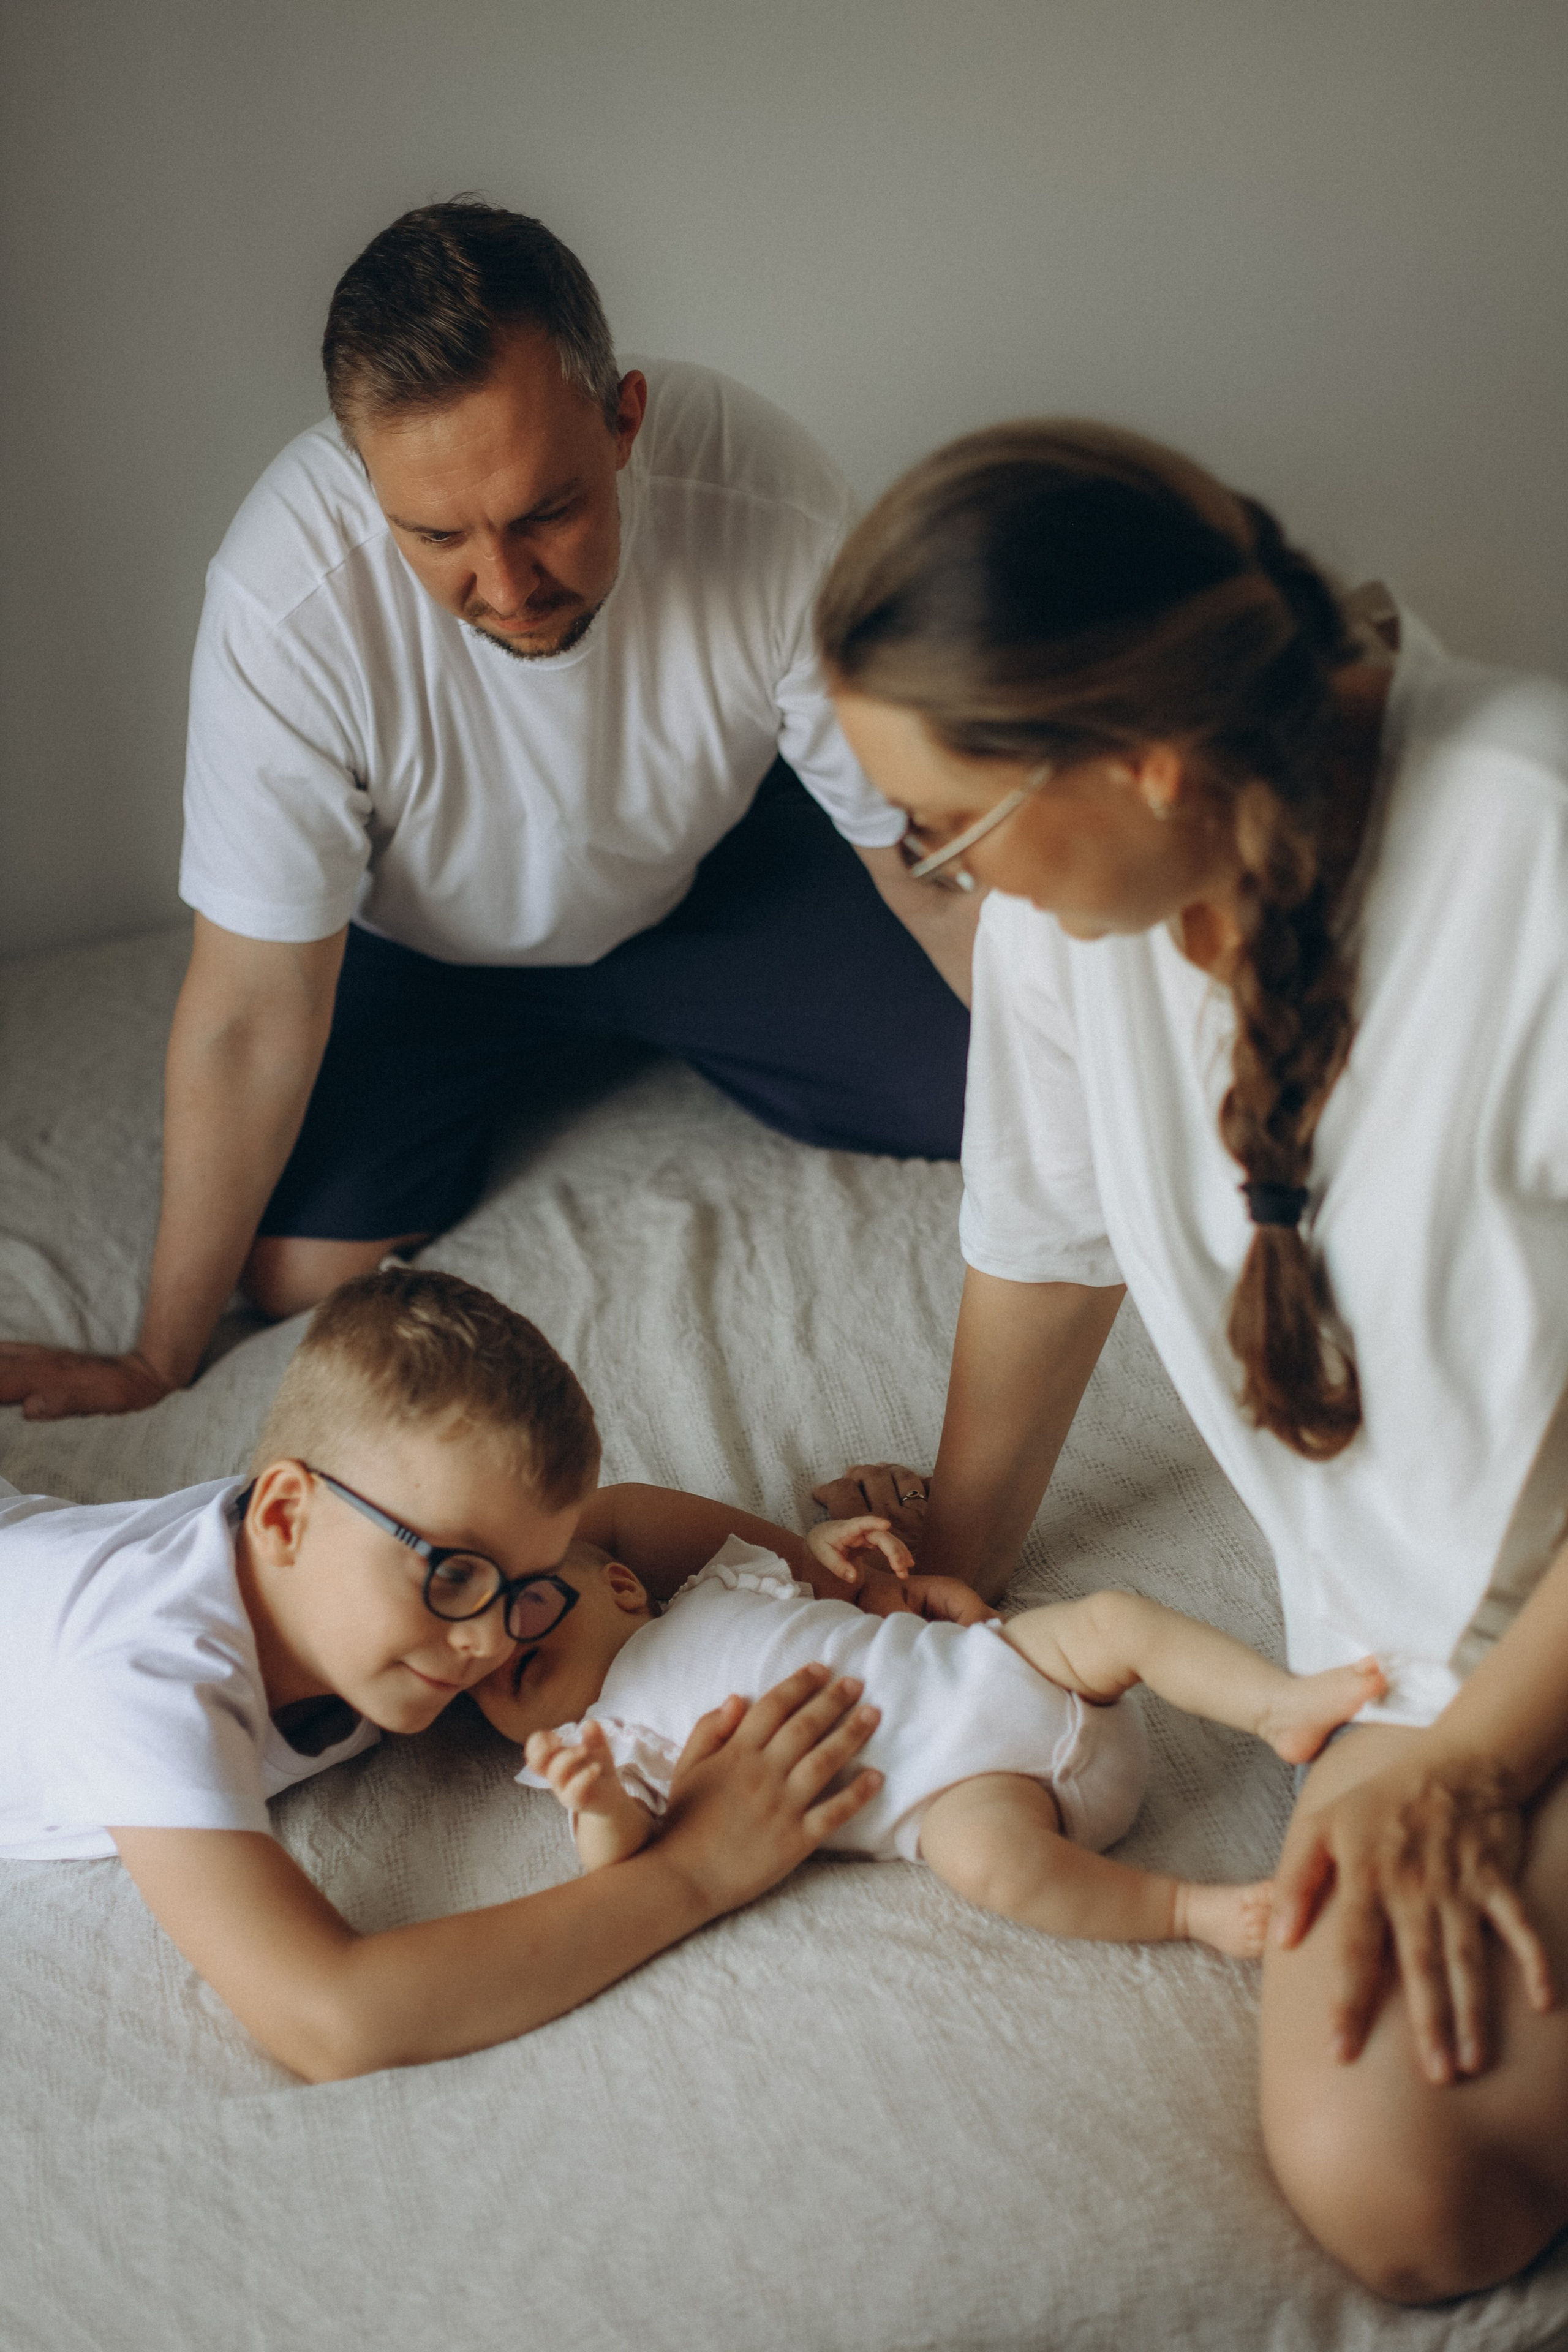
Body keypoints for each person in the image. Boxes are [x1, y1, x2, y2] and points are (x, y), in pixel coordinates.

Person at [807, 420, 1568, 2304]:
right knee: (1400, 2185)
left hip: (1522, 1648)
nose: (935, 874)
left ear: (1143, 756)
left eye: (945, 830)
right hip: (1433, 1651)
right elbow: (1049, 1244)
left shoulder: (1536, 849)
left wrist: (1477, 1765)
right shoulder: (1092, 920)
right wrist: (946, 1589)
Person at [0, 199, 977, 1427]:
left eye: (543, 513)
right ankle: (566, 1039)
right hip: (432, 954)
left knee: (985, 1091)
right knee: (292, 1274)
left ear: (622, 420)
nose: (506, 587)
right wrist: (157, 1358)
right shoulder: (284, 599)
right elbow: (254, 1009)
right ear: (366, 484)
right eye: (437, 535)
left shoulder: (766, 493)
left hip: (716, 881)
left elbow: (928, 868)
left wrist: (1143, 1118)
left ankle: (664, 1018)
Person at [0, 1265, 900, 2080]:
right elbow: (332, 2020)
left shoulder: (348, 1550)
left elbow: (617, 1526)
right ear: (281, 1518)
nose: (490, 1644)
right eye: (456, 1573)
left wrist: (839, 1586)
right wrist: (698, 1870)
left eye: (526, 1588)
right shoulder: (146, 1678)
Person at [474, 1517, 1384, 1956]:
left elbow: (837, 1596)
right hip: (964, 1792)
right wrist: (594, 1800)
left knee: (1112, 1619)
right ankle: (1189, 1913)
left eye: (526, 1605)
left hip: (1004, 1665)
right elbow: (619, 1867)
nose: (493, 1645)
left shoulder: (718, 1586)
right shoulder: (611, 1738)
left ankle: (1277, 1703)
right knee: (988, 1871)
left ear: (625, 1589)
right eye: (476, 1682)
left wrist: (840, 1553)